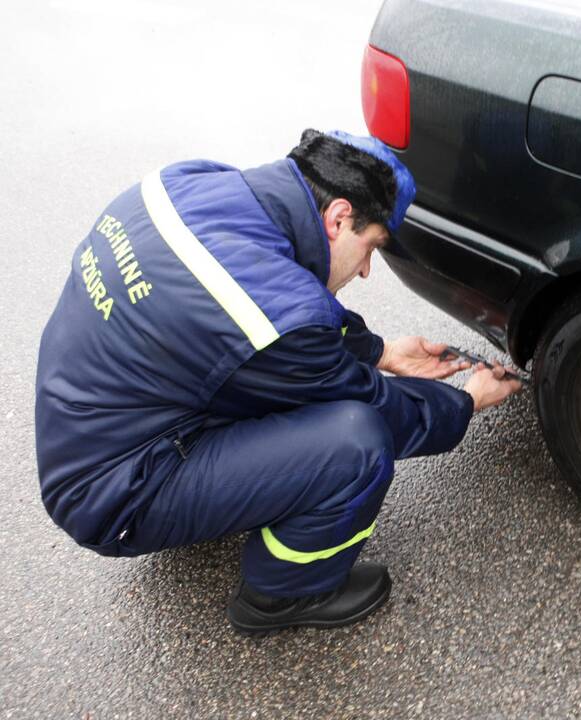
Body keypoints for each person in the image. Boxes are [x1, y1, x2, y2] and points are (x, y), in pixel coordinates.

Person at [35, 129, 521, 634]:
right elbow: (379, 407)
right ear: (338, 218)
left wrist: (380, 351)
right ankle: (284, 594)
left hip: (86, 430)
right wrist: (463, 401)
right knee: (357, 441)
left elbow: (278, 301)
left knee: (285, 385)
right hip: (114, 494)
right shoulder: (276, 319)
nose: (366, 271)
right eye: (371, 247)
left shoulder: (188, 183)